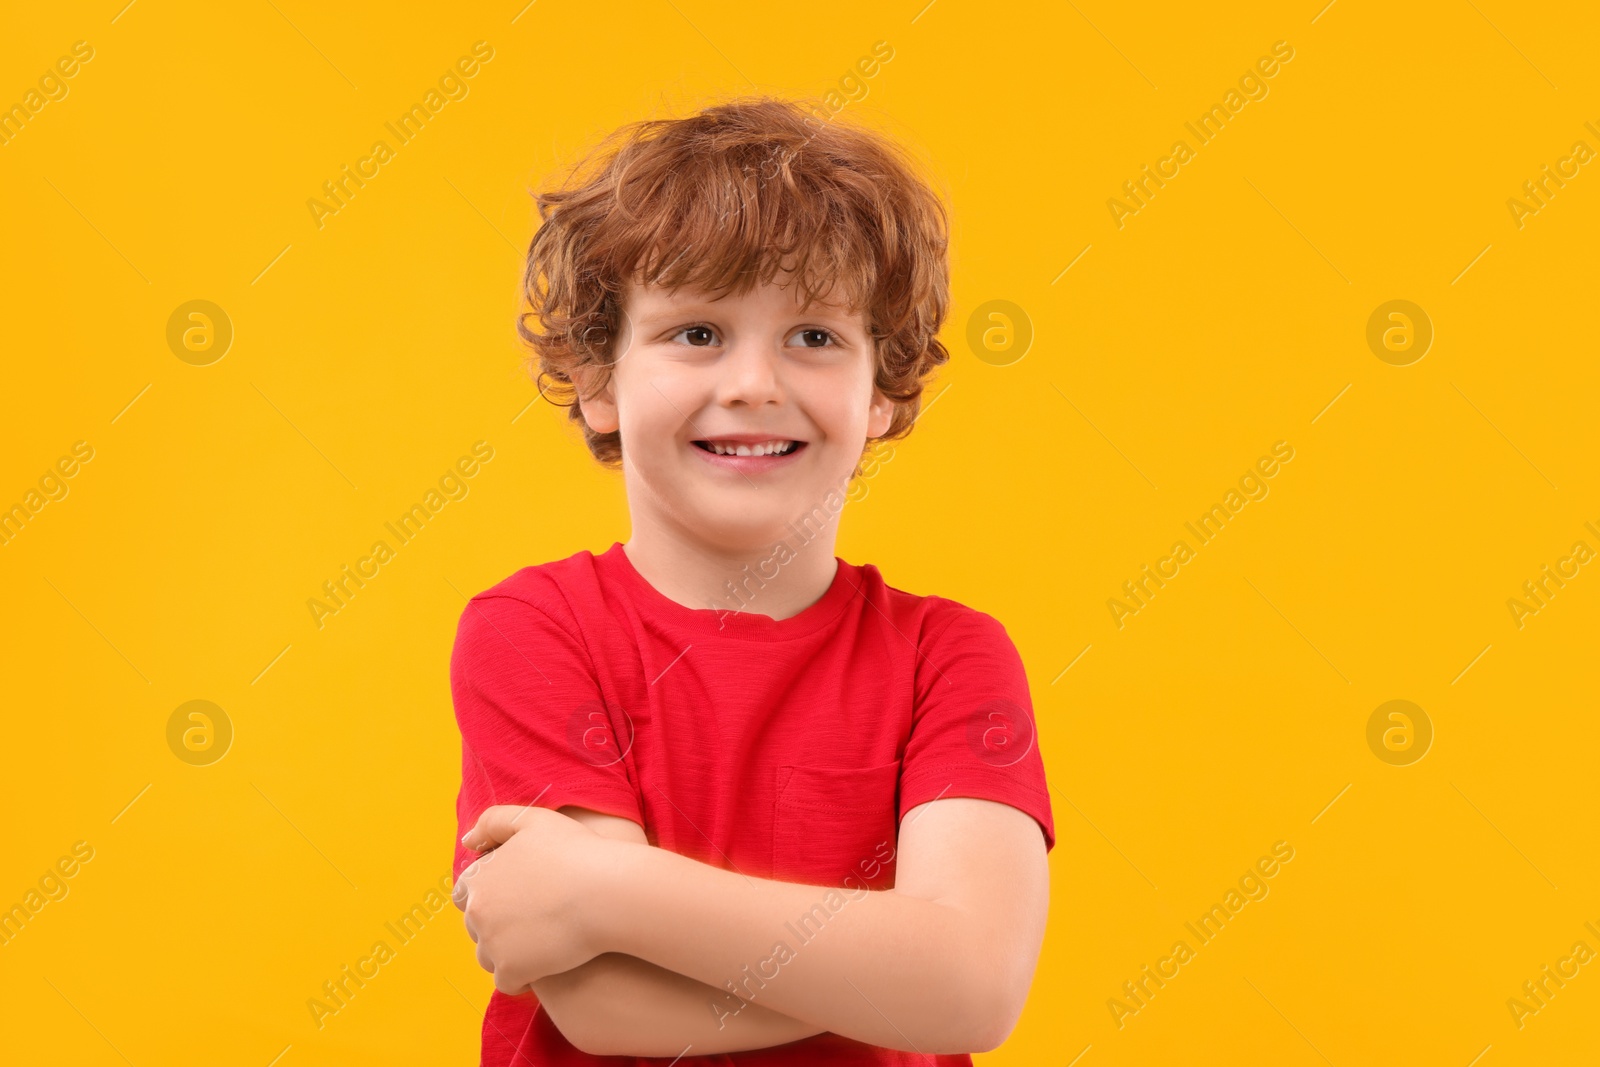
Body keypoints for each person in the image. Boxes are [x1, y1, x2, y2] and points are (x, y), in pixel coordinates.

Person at [448, 94, 1055, 1066]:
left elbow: (972, 987)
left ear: (885, 395)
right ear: (599, 383)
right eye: (696, 333)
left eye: (814, 336)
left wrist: (605, 889)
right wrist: (898, 964)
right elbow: (613, 1010)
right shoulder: (531, 628)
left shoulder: (950, 654)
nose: (752, 384)